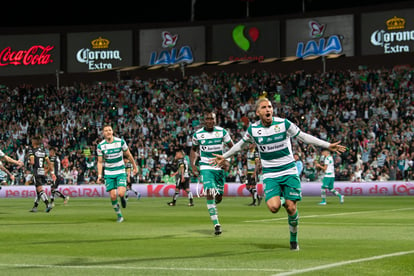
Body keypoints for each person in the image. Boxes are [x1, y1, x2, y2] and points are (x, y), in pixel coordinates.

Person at [211, 98, 346, 250]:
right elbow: (240, 146)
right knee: (273, 207)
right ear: (257, 112)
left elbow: (303, 136)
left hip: (289, 170)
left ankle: (293, 240)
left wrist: (327, 145)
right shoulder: (254, 130)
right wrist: (225, 156)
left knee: (291, 208)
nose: (268, 109)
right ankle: (282, 197)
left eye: (270, 107)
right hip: (270, 174)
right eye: (264, 107)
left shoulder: (283, 124)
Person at [190, 109, 234, 235]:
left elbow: (233, 147)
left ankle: (214, 204)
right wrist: (193, 165)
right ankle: (216, 224)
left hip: (219, 166)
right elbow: (193, 150)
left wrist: (227, 161)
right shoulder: (198, 134)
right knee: (209, 192)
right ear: (204, 120)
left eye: (212, 119)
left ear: (215, 120)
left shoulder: (222, 132)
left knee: (219, 196)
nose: (210, 121)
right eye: (207, 119)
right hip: (205, 166)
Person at [97, 125, 138, 223]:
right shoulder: (100, 146)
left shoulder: (120, 142)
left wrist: (135, 166)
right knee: (112, 196)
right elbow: (99, 162)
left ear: (112, 131)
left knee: (120, 193)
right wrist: (99, 175)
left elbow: (128, 154)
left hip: (120, 171)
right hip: (109, 173)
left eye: (110, 130)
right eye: (106, 130)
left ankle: (122, 198)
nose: (108, 132)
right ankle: (119, 215)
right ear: (103, 133)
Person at [29, 136, 56, 213]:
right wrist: (52, 173)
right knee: (38, 190)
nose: (31, 142)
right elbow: (49, 163)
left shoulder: (32, 151)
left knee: (40, 189)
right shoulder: (43, 152)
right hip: (42, 172)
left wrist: (28, 162)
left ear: (34, 142)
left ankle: (48, 204)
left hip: (36, 172)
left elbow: (32, 162)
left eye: (32, 140)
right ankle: (35, 207)